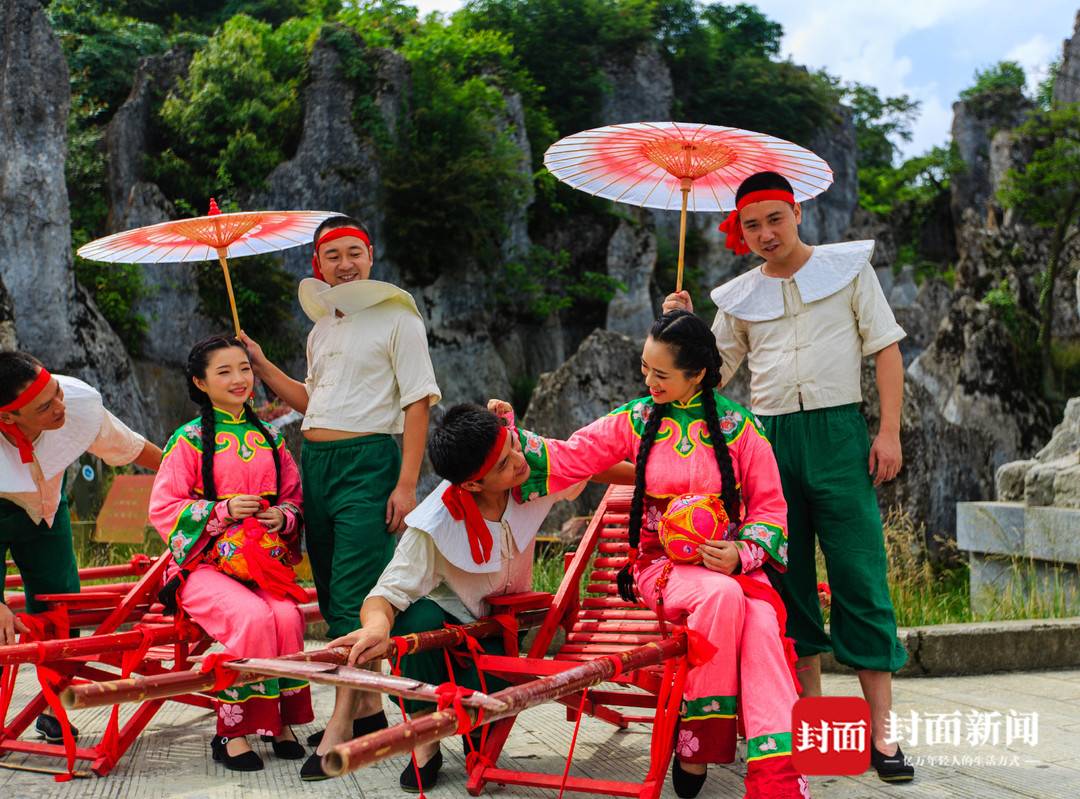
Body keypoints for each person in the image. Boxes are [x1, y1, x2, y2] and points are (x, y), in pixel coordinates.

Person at [663, 169, 913, 782]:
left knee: (859, 574)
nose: (766, 233)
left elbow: (884, 349)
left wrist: (887, 431)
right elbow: (707, 372)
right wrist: (683, 324)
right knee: (785, 585)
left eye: (775, 218)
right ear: (740, 232)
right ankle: (815, 736)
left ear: (796, 213)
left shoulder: (849, 270)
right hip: (768, 444)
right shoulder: (739, 296)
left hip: (838, 435)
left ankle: (881, 737)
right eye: (752, 224)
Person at [497, 311, 810, 799]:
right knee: (724, 599)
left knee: (763, 625)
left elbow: (771, 508)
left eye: (660, 374)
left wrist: (742, 553)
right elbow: (573, 454)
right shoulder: (639, 419)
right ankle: (696, 744)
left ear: (698, 374)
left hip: (728, 568)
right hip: (660, 568)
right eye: (645, 368)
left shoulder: (741, 429)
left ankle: (776, 781)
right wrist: (510, 439)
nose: (648, 381)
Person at [328, 403, 629, 792]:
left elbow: (585, 464)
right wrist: (375, 626)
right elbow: (386, 593)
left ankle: (473, 738)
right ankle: (424, 742)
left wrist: (656, 479)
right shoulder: (437, 520)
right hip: (446, 620)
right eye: (503, 464)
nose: (519, 462)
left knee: (483, 729)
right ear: (471, 484)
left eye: (513, 448)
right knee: (412, 622)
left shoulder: (530, 475)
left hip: (499, 627)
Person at [240, 215, 441, 779]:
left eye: (355, 252)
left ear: (370, 257)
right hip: (317, 464)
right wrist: (259, 362)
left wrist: (406, 483)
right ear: (318, 265)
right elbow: (314, 399)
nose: (345, 264)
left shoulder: (399, 318)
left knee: (358, 591)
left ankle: (352, 722)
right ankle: (372, 710)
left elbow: (418, 402)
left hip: (369, 462)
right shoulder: (321, 327)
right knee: (330, 591)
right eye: (334, 256)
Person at [148, 336, 313, 772]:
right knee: (253, 619)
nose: (239, 379)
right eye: (224, 372)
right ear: (200, 383)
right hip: (200, 567)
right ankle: (232, 732)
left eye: (244, 368)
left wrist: (284, 516)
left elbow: (295, 497)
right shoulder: (187, 441)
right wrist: (219, 511)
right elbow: (163, 508)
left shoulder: (270, 440)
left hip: (260, 563)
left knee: (288, 618)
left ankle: (280, 723)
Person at [0, 350, 160, 743]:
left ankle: (54, 707)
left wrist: (191, 471)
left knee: (62, 608)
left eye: (57, 392)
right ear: (8, 417)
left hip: (48, 511)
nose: (59, 407)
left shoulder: (77, 405)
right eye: (44, 406)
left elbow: (131, 447)